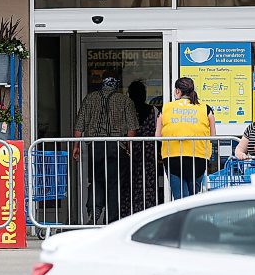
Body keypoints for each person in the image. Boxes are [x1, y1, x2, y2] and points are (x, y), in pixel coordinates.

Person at [72, 77, 139, 224]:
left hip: (95, 146)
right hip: (116, 147)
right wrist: (129, 147)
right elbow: (131, 128)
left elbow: (79, 125)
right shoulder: (125, 101)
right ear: (116, 86)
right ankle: (112, 219)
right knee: (114, 183)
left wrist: (75, 146)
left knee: (96, 180)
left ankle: (94, 210)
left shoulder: (90, 99)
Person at [155, 77, 216, 200]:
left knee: (180, 199)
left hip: (173, 157)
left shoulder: (165, 108)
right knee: (193, 199)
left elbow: (158, 136)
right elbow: (212, 136)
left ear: (177, 91)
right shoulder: (206, 108)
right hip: (198, 157)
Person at [121, 80, 159, 217]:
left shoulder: (126, 111)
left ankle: (128, 215)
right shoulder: (153, 110)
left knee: (128, 186)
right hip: (148, 154)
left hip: (129, 153)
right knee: (147, 185)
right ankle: (147, 215)